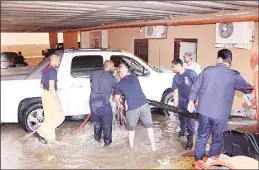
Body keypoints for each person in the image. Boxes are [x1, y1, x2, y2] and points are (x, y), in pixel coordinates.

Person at [187, 49, 253, 161]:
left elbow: (195, 86)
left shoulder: (207, 71)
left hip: (204, 112)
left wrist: (190, 101)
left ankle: (198, 161)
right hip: (220, 115)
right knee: (217, 140)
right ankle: (212, 162)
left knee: (202, 137)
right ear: (229, 61)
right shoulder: (234, 75)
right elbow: (248, 89)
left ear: (219, 59)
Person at [113, 64, 156, 151]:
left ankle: (131, 150)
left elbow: (116, 99)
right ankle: (153, 147)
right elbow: (131, 88)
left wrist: (115, 98)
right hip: (144, 105)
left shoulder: (119, 85)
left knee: (131, 130)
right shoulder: (134, 77)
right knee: (149, 127)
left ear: (119, 73)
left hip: (133, 109)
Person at [34, 54, 65, 144]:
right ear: (54, 60)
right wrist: (58, 102)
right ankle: (40, 132)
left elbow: (41, 84)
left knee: (49, 117)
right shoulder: (53, 71)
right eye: (58, 60)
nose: (59, 62)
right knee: (59, 116)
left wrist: (55, 88)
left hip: (45, 94)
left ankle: (50, 138)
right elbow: (51, 87)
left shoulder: (46, 69)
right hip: (50, 95)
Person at [171, 58, 197, 150]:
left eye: (173, 67)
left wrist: (196, 101)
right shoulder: (175, 77)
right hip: (182, 103)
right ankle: (182, 131)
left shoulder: (191, 73)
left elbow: (198, 87)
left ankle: (190, 141)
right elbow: (175, 92)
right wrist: (175, 105)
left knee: (191, 122)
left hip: (190, 102)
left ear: (178, 65)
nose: (172, 69)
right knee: (182, 119)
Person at [90, 60, 117, 146]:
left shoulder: (94, 73)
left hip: (92, 102)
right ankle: (107, 145)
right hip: (103, 103)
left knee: (97, 124)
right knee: (107, 124)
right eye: (113, 67)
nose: (113, 69)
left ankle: (97, 141)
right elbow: (114, 92)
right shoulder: (112, 77)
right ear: (109, 67)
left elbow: (91, 86)